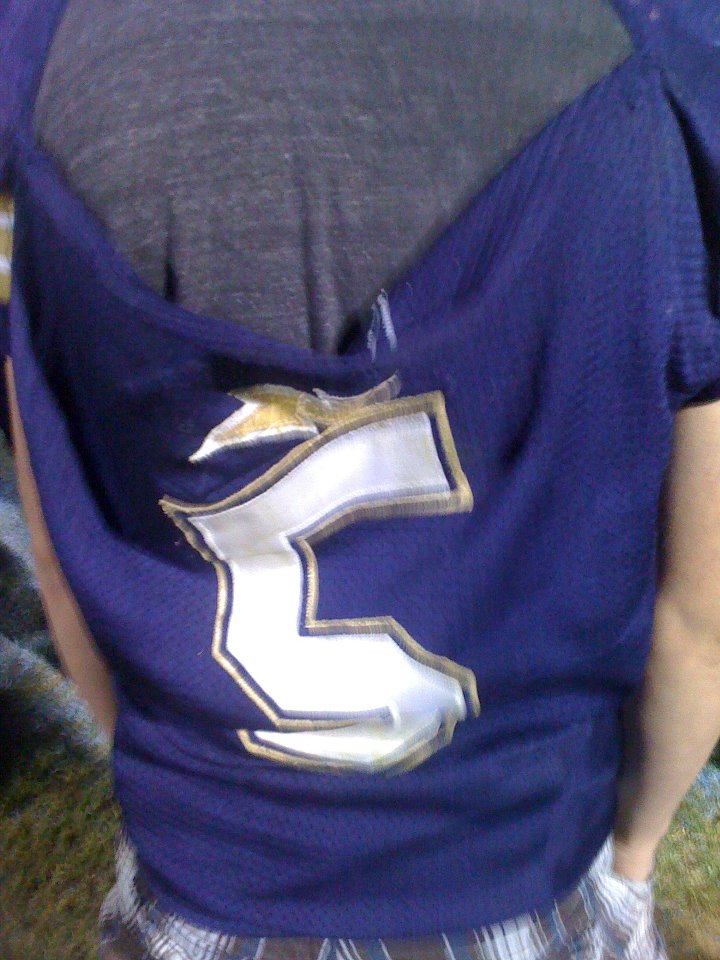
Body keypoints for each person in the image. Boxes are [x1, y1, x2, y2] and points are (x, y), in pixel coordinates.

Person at [2, 1, 720, 958]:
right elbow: (701, 618)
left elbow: (59, 558)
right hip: (528, 871)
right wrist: (632, 855)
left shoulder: (47, 51)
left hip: (202, 878)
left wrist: (173, 802)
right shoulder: (659, 66)